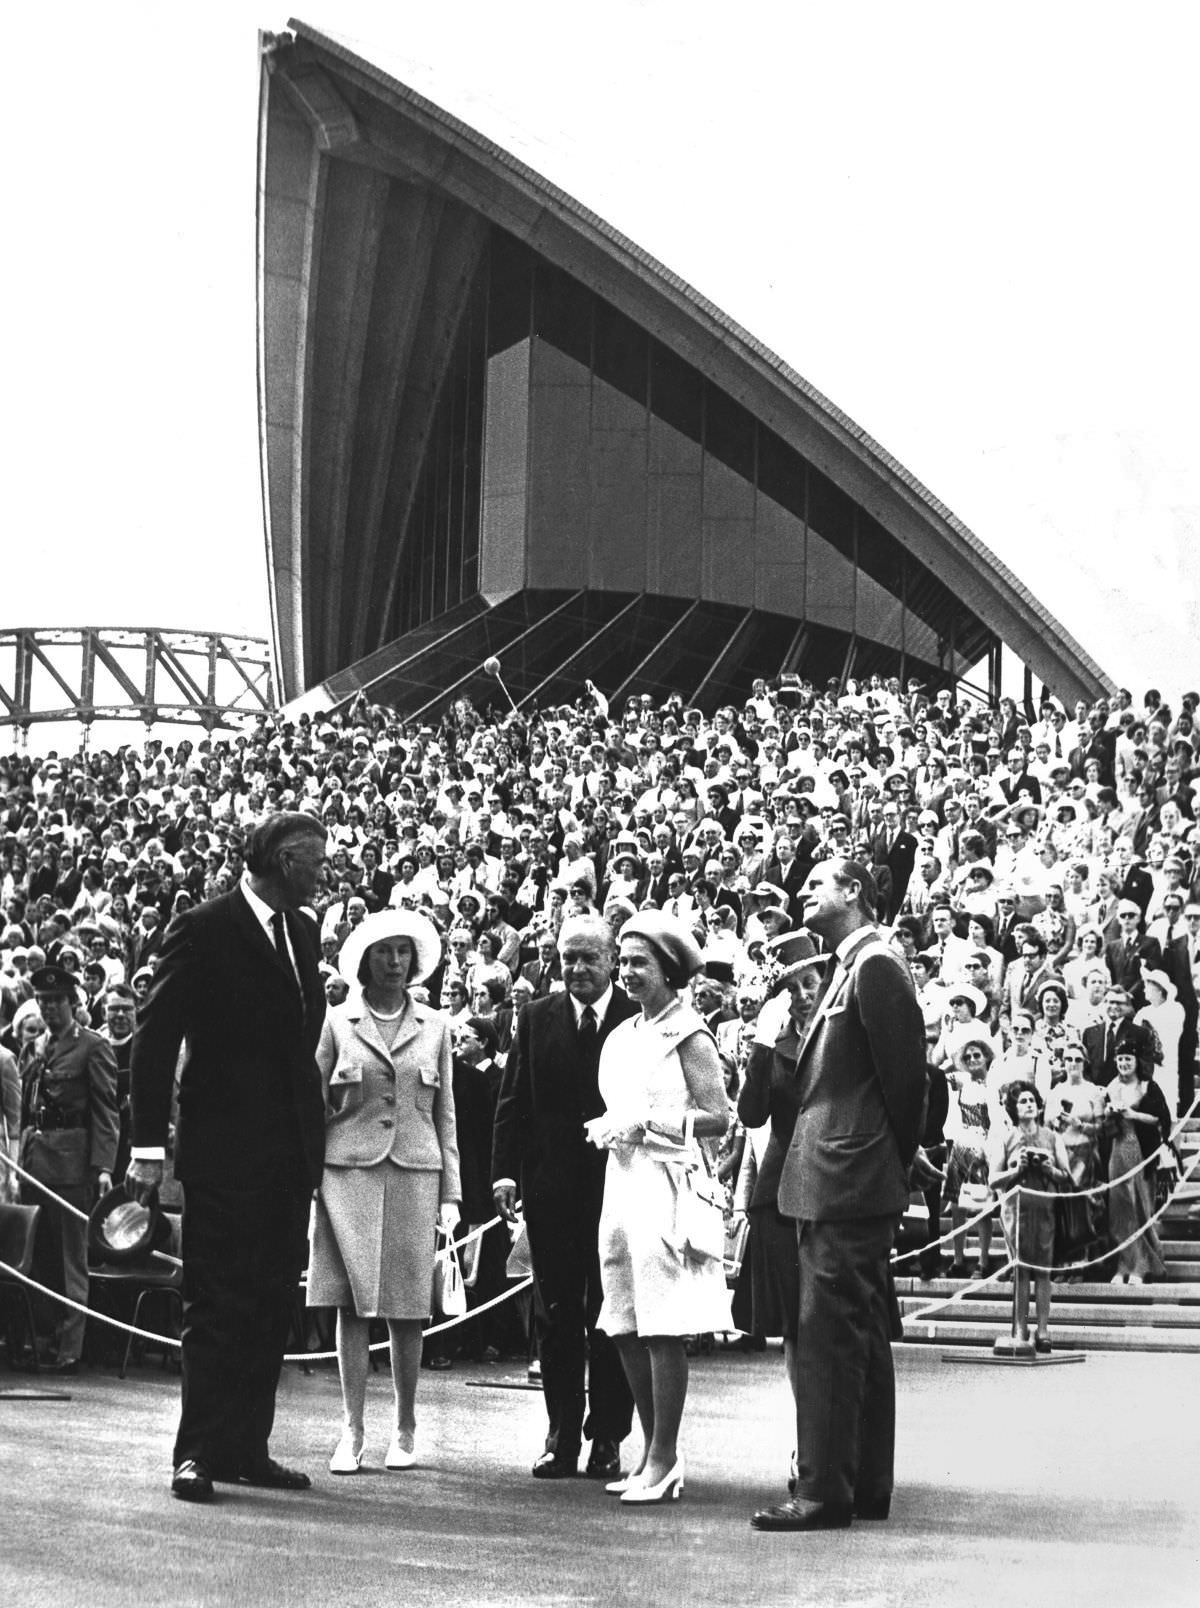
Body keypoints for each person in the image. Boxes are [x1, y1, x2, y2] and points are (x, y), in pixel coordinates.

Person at [126, 812, 329, 1504]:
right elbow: (155, 1040)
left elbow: (302, 1046)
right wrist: (148, 1143)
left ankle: (248, 1446)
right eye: (312, 860)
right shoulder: (204, 927)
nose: (322, 873)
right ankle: (198, 1451)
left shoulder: (302, 931)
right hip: (222, 1151)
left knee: (272, 1302)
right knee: (215, 1302)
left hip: (286, 1156)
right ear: (278, 859)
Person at [753, 858, 926, 1532]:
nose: (802, 892)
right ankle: (865, 1484)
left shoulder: (876, 964)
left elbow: (904, 1084)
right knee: (855, 1332)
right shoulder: (851, 966)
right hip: (834, 1175)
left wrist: (885, 1162)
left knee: (828, 1334)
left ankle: (825, 1491)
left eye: (816, 883)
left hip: (847, 1177)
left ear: (853, 893)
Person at [310, 909, 461, 1474]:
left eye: (403, 952)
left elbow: (445, 1115)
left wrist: (452, 1191)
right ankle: (351, 1429)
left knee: (406, 1305)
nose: (395, 963)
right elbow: (314, 1103)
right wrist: (309, 1178)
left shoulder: (438, 1026)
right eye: (384, 952)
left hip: (415, 1173)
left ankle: (405, 1424)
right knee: (352, 1301)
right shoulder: (336, 1022)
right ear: (364, 961)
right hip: (346, 1171)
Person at [588, 910, 731, 1504]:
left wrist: (653, 1121)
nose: (626, 973)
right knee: (622, 1316)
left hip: (666, 1182)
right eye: (622, 962)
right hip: (620, 1179)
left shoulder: (690, 1033)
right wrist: (610, 1127)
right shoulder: (623, 1034)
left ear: (670, 971)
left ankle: (666, 1456)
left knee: (660, 1322)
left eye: (639, 963)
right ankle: (651, 1452)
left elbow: (720, 1117)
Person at [491, 914, 637, 1481]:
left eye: (588, 958)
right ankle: (560, 1433)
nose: (576, 968)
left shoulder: (634, 1015)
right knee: (556, 1315)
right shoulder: (534, 1017)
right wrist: (504, 1173)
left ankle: (607, 1436)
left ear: (610, 961)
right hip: (550, 1190)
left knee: (610, 1312)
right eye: (567, 957)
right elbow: (512, 1101)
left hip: (617, 1187)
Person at [731, 931, 828, 1482]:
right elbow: (750, 1114)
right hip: (779, 1191)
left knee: (825, 1323)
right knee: (795, 1328)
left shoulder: (841, 1036)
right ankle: (804, 1443)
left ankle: (830, 1439)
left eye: (811, 983)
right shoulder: (776, 1043)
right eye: (794, 988)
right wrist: (762, 1047)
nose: (804, 995)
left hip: (830, 1188)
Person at [16, 963, 118, 1371]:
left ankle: (70, 1347)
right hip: (34, 1163)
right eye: (43, 1001)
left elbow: (106, 1113)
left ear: (72, 1002)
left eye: (56, 1001)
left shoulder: (92, 1047)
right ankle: (39, 1340)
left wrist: (103, 1168)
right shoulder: (35, 1047)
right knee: (36, 1257)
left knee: (71, 1259)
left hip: (72, 1166)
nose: (50, 1008)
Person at [989, 1081, 1070, 1354]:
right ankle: (1020, 1328)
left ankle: (1044, 1329)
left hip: (1044, 1207)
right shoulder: (1005, 1138)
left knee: (1044, 1270)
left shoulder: (1052, 1137)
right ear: (1014, 1108)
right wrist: (1016, 1169)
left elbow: (1067, 1177)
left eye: (1032, 1100)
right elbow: (993, 1180)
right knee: (1021, 1269)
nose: (1029, 1104)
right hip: (1016, 1210)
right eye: (1023, 1101)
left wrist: (1049, 1169)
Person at [1104, 1045, 1170, 1284]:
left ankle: (1141, 1265)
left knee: (1138, 1207)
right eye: (1120, 1058)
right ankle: (1123, 1264)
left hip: (1140, 1149)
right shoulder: (1111, 1087)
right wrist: (1109, 1114)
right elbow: (1106, 1128)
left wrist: (1133, 1115)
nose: (1124, 1063)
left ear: (1136, 1061)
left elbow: (1161, 1119)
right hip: (1117, 1150)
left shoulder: (1147, 1086)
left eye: (1128, 1059)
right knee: (1119, 1210)